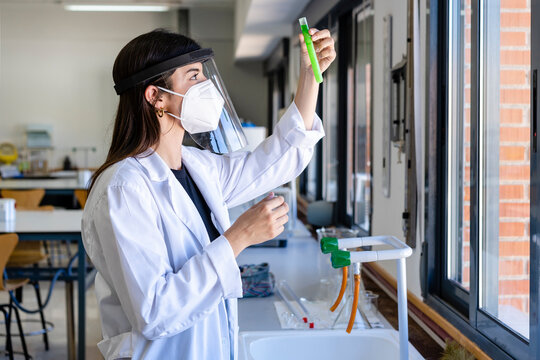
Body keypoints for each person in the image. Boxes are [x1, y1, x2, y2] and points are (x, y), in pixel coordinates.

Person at [82, 27, 335, 360]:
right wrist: (239, 237)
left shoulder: (198, 166)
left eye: (204, 76)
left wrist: (309, 76)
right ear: (155, 97)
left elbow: (275, 160)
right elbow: (155, 311)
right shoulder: (124, 188)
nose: (207, 88)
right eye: (193, 76)